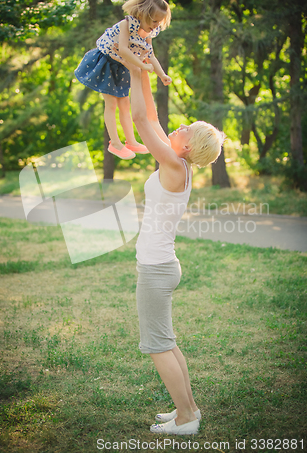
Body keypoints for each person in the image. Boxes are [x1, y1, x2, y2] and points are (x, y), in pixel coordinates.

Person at [129, 67, 225, 435]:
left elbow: (139, 118)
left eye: (185, 127)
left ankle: (186, 419)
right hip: (162, 266)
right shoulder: (176, 164)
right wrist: (144, 71)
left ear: (186, 145)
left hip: (157, 270)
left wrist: (136, 71)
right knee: (167, 343)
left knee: (157, 346)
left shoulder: (172, 165)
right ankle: (189, 410)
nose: (178, 126)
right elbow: (150, 116)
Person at [74, 0, 172, 160]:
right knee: (111, 103)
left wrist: (162, 74)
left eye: (159, 22)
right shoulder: (126, 24)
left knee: (125, 104)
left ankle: (131, 141)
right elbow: (123, 50)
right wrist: (141, 65)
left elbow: (151, 55)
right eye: (154, 20)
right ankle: (115, 143)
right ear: (142, 14)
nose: (156, 25)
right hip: (106, 62)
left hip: (121, 66)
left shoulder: (148, 32)